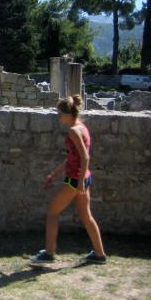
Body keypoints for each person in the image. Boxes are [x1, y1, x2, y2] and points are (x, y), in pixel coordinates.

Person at [31, 94, 107, 264]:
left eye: (60, 114)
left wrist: (78, 183)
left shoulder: (74, 131)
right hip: (84, 178)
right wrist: (55, 174)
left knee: (52, 212)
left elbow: (85, 157)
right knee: (87, 217)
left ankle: (49, 253)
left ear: (68, 114)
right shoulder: (82, 127)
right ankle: (99, 254)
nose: (58, 118)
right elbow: (73, 157)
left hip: (75, 180)